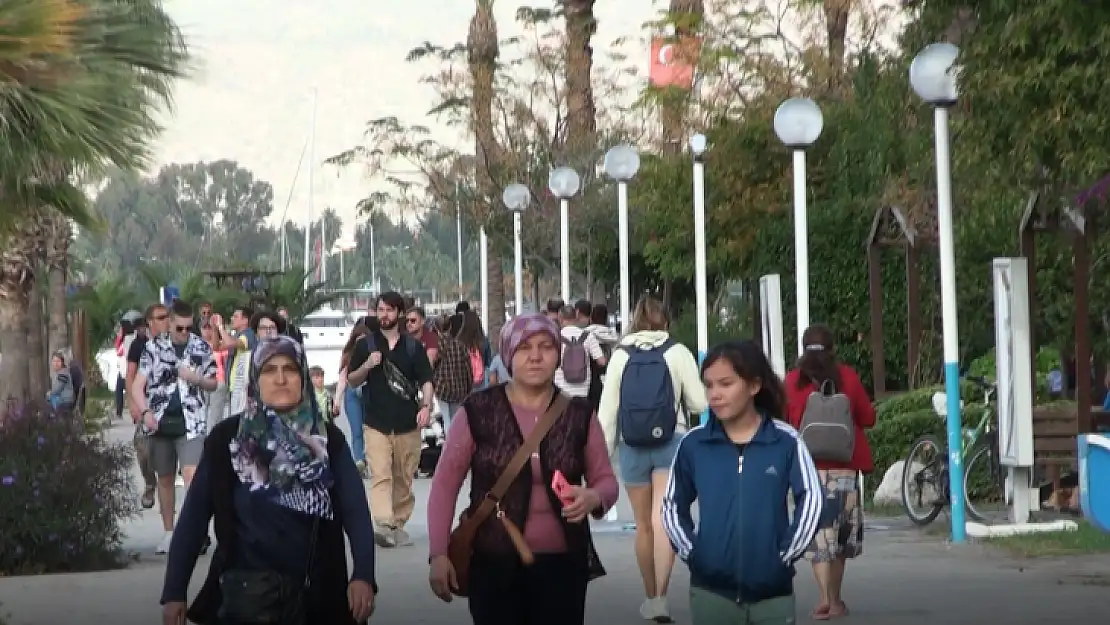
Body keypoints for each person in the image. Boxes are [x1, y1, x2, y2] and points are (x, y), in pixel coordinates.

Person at [159, 336, 377, 625]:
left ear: (303, 377)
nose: (281, 378)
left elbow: (356, 511)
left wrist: (363, 574)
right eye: (269, 370)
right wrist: (175, 590)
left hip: (317, 595)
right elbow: (194, 516)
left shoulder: (327, 440)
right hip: (247, 597)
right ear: (255, 379)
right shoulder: (227, 439)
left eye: (290, 369)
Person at [426, 313, 619, 625]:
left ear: (558, 354)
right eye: (524, 347)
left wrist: (593, 497)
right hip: (492, 565)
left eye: (545, 346)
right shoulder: (477, 412)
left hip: (562, 567)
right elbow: (445, 485)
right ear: (508, 354)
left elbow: (607, 481)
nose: (536, 356)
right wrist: (438, 554)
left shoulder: (579, 415)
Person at [662, 340, 823, 625]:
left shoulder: (786, 442)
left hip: (773, 596)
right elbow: (672, 506)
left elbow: (811, 498)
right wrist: (695, 555)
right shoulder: (694, 445)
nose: (715, 395)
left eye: (725, 384)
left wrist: (784, 555)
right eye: (709, 385)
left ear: (753, 386)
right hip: (711, 595)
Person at [597, 295, 706, 622]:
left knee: (643, 525)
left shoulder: (620, 356)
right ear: (665, 320)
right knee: (663, 520)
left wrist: (603, 456)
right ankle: (661, 594)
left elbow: (608, 413)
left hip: (632, 445)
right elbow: (700, 402)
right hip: (671, 440)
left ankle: (649, 595)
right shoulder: (677, 351)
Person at [784, 324, 875, 620]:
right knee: (839, 540)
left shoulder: (793, 382)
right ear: (832, 349)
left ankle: (823, 598)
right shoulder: (847, 377)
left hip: (808, 472)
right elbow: (868, 418)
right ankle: (835, 599)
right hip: (845, 470)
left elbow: (783, 422)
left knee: (819, 537)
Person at [347, 291, 435, 548]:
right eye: (381, 310)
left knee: (404, 477)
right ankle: (384, 523)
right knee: (381, 474)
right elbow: (352, 379)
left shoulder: (412, 347)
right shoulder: (366, 345)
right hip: (376, 423)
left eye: (389, 310)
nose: (384, 315)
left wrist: (426, 407)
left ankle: (398, 523)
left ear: (399, 313)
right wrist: (367, 366)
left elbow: (426, 380)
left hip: (408, 424)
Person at [132, 299, 219, 555]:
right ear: (169, 324)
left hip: (191, 422)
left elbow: (214, 383)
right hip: (160, 422)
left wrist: (197, 379)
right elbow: (138, 385)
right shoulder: (152, 348)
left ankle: (194, 531)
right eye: (179, 328)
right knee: (166, 478)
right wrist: (145, 411)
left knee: (193, 478)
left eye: (188, 328)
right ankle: (169, 533)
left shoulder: (200, 346)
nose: (184, 333)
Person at [128, 305, 168, 510]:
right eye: (160, 318)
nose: (165, 321)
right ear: (149, 322)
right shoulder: (138, 345)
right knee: (142, 449)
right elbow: (131, 375)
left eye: (167, 317)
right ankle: (150, 483)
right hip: (146, 405)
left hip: (170, 408)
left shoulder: (176, 341)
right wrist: (134, 404)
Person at [336, 322, 374, 475]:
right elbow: (342, 379)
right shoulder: (348, 356)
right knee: (356, 430)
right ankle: (359, 461)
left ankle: (371, 461)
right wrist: (337, 401)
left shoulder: (374, 354)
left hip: (369, 392)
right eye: (359, 340)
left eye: (364, 340)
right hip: (352, 393)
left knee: (370, 429)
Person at [433, 314, 474, 434]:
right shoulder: (460, 345)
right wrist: (468, 387)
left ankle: (447, 444)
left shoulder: (435, 345)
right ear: (450, 327)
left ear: (436, 328)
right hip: (459, 388)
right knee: (456, 420)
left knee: (445, 418)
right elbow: (468, 368)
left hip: (441, 388)